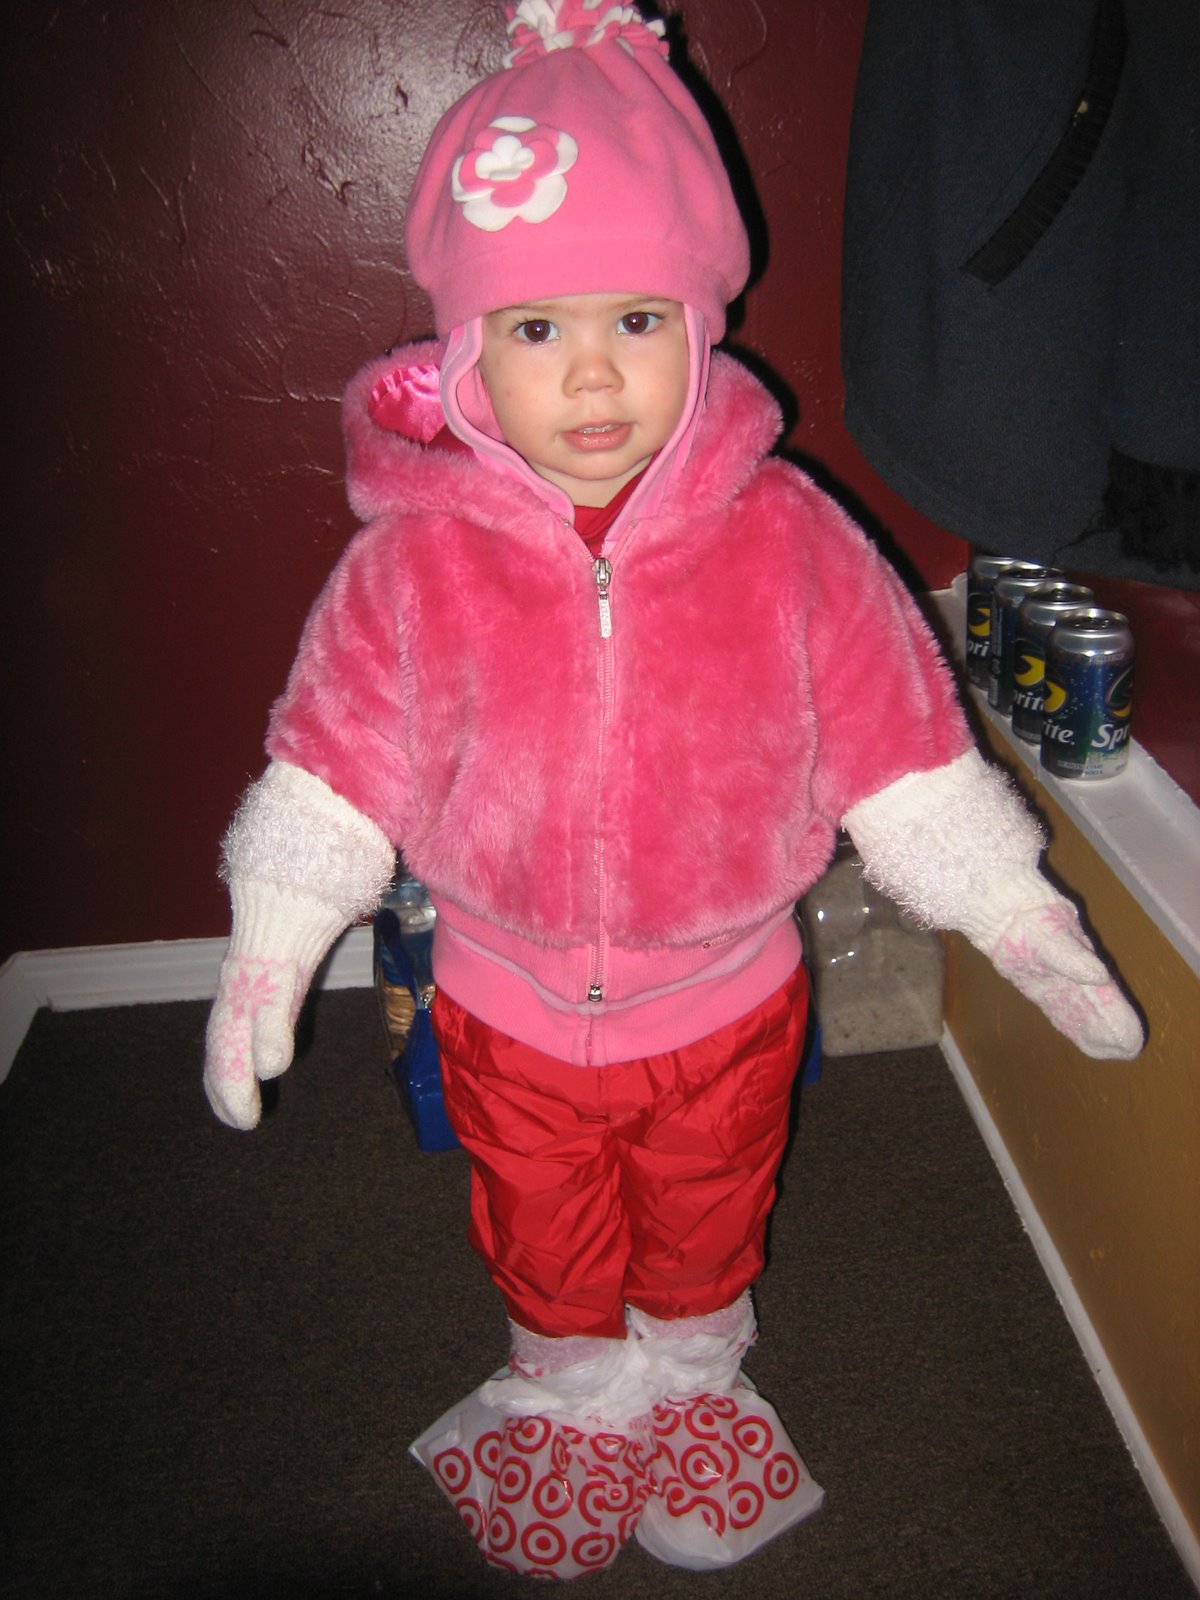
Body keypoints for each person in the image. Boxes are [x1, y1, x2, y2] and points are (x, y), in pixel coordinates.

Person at [202, 0, 1143, 1580]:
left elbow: (903, 753)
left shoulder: (790, 542)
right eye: (536, 330)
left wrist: (1015, 914)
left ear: (701, 330)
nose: (592, 375)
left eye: (637, 320)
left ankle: (699, 1375)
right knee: (540, 1216)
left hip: (726, 1003)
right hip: (503, 1002)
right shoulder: (412, 570)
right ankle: (571, 1389)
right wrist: (268, 949)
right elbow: (335, 765)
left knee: (708, 1209)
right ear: (463, 356)